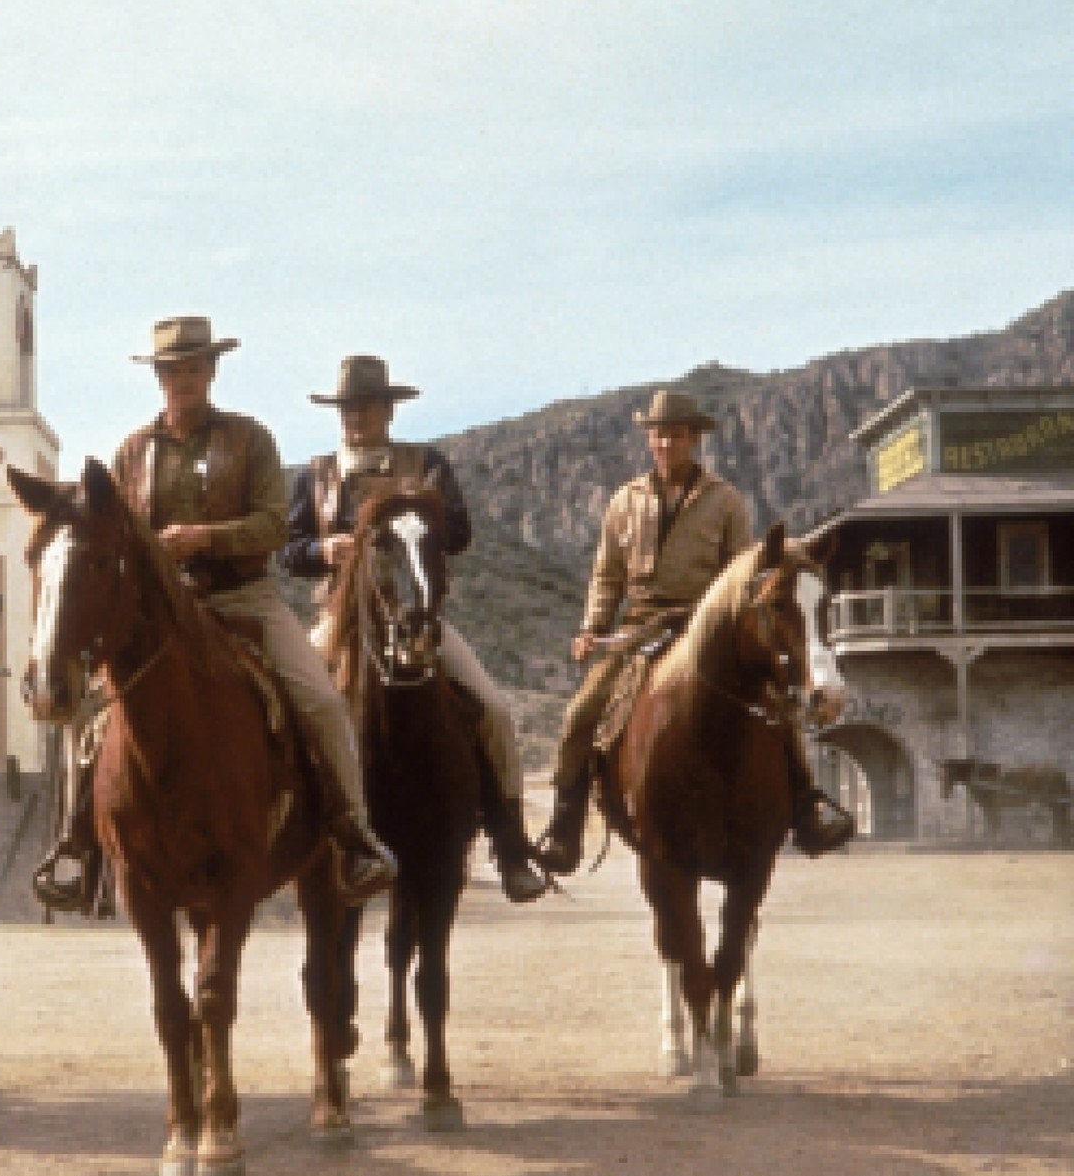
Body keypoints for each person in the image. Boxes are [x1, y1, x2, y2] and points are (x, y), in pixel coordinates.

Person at [32, 316, 400, 913]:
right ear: (158, 376)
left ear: (212, 371)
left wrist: (205, 538)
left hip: (242, 599)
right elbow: (114, 537)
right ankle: (77, 847)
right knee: (93, 712)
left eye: (194, 366)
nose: (184, 378)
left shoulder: (250, 440)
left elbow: (274, 527)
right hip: (160, 614)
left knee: (321, 701)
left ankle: (352, 835)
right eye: (173, 369)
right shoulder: (132, 452)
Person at [541, 390, 855, 872]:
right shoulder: (624, 501)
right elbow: (606, 576)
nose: (668, 443)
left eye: (678, 435)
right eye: (660, 434)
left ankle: (807, 805)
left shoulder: (724, 500)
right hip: (640, 625)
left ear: (693, 439)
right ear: (649, 439)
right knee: (581, 713)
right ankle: (564, 827)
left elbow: (742, 573)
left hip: (704, 624)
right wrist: (592, 628)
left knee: (777, 705)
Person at [279, 354, 548, 903]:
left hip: (413, 613)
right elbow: (289, 551)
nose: (357, 416)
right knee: (287, 706)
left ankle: (511, 843)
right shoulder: (316, 473)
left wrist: (418, 527)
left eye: (367, 405)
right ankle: (284, 829)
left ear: (388, 409)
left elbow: (461, 533)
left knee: (492, 709)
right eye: (348, 407)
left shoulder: (426, 465)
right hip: (339, 617)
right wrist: (323, 548)